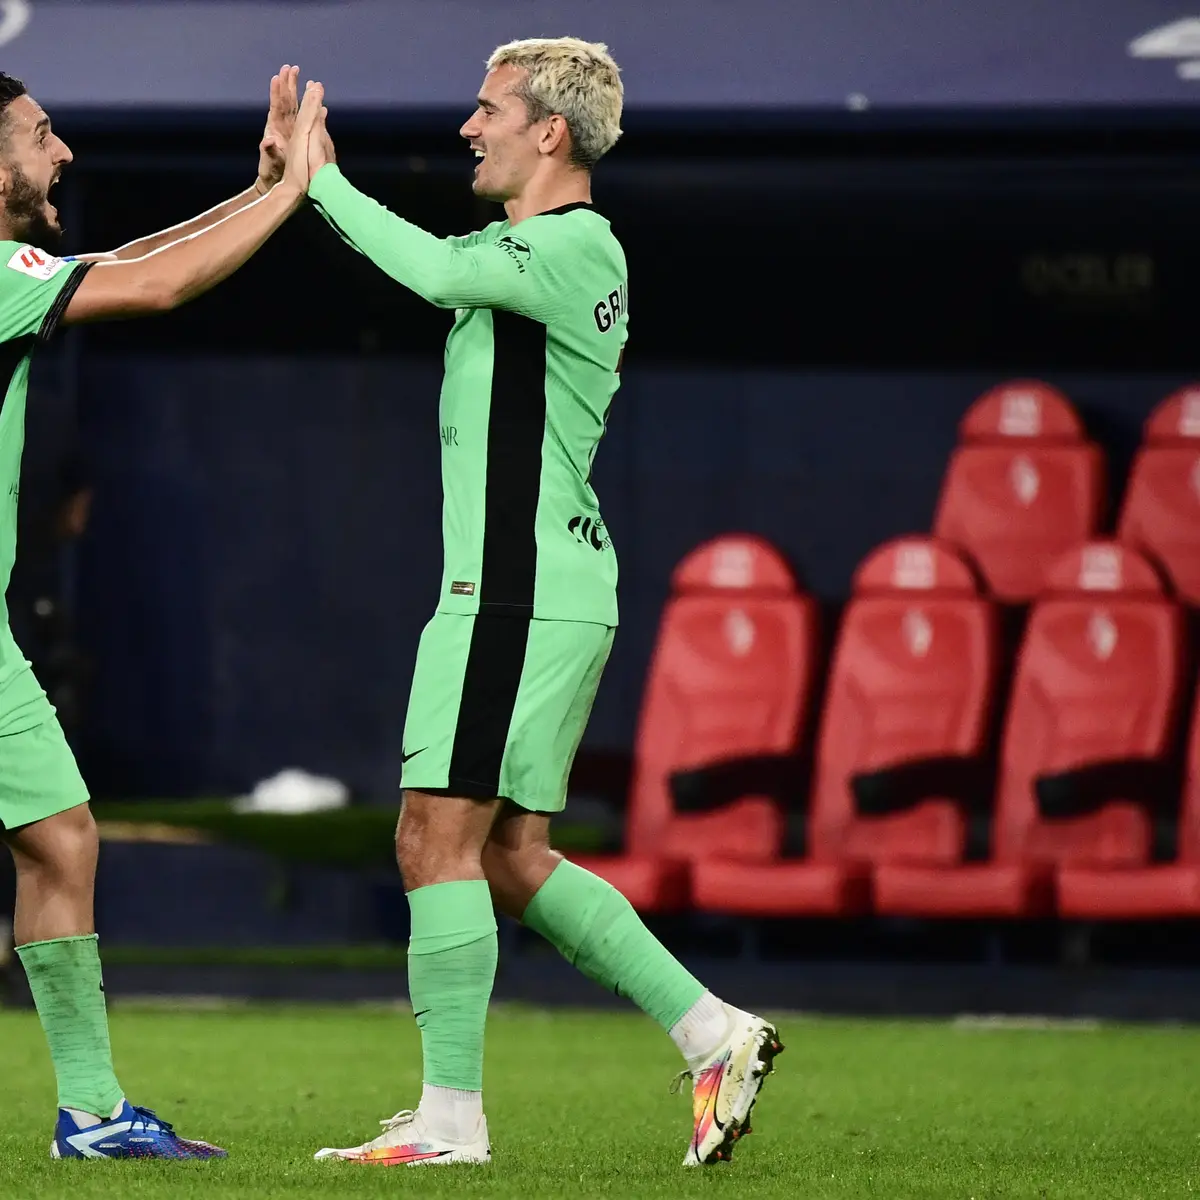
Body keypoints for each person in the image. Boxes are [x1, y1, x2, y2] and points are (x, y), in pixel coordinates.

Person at [297, 38, 784, 1170]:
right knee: (510, 855)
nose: (468, 127)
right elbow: (450, 267)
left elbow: (428, 272)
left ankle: (452, 1123)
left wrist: (316, 181)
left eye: (487, 109)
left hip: (513, 596)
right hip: (540, 591)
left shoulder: (569, 245)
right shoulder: (543, 247)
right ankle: (714, 1033)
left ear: (547, 131)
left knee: (433, 839)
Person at [0, 66, 325, 1160]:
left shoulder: (14, 268)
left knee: (59, 840)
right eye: (41, 136)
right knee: (59, 842)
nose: (63, 155)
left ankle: (92, 1116)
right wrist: (297, 197)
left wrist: (257, 187)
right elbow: (155, 291)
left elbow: (121, 264)